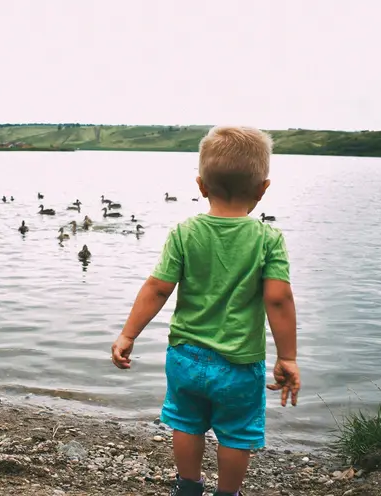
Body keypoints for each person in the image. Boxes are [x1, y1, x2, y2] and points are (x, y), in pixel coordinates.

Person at [111, 126, 300, 496]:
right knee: (237, 432)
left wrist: (128, 334)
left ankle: (188, 486)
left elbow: (158, 288)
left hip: (186, 356)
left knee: (187, 423)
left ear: (201, 185)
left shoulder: (185, 232)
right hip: (239, 363)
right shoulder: (268, 239)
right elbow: (278, 299)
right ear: (263, 189)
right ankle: (227, 493)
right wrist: (288, 356)